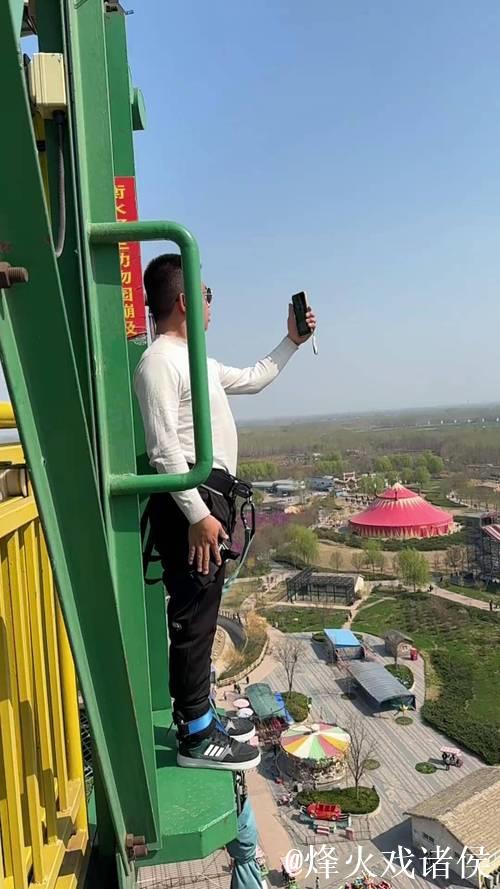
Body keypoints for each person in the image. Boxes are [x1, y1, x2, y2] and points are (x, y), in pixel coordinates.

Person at [134, 254, 316, 771]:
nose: (213, 306)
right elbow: (164, 450)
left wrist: (292, 343)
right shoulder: (159, 364)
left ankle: (203, 718)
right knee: (193, 615)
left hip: (206, 500)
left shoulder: (195, 361)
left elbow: (256, 378)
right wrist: (195, 513)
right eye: (207, 295)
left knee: (205, 609)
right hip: (190, 501)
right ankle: (195, 735)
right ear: (187, 301)